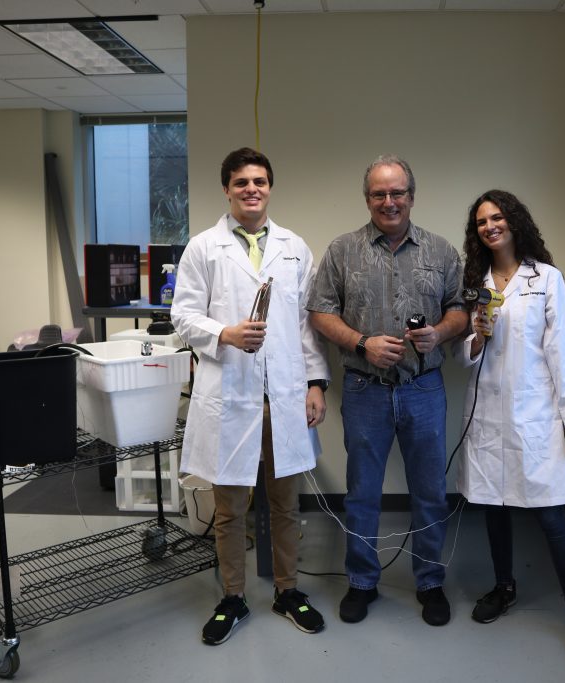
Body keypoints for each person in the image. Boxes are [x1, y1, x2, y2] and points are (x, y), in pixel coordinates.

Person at [171, 147, 330, 646]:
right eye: (241, 182)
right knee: (230, 508)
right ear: (227, 189)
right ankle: (233, 597)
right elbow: (183, 316)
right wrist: (226, 334)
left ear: (270, 186)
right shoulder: (203, 247)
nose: (252, 189)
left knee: (284, 505)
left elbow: (306, 326)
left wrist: (314, 383)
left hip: (281, 396)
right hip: (231, 394)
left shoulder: (294, 247)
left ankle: (288, 591)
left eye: (259, 181)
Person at [308, 155, 468, 626]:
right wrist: (361, 342)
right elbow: (319, 312)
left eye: (397, 192)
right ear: (368, 199)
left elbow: (460, 309)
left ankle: (430, 581)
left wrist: (438, 333)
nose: (389, 201)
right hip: (364, 389)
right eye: (379, 194)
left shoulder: (441, 252)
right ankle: (362, 581)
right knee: (362, 494)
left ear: (412, 197)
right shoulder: (342, 251)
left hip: (423, 388)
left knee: (430, 492)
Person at [454, 189, 565, 665]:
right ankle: (504, 586)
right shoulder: (474, 280)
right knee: (493, 506)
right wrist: (478, 336)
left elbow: (563, 350)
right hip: (489, 414)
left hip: (535, 413)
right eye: (481, 222)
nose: (490, 226)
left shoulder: (546, 278)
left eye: (497, 218)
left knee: (552, 514)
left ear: (514, 222)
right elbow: (466, 356)